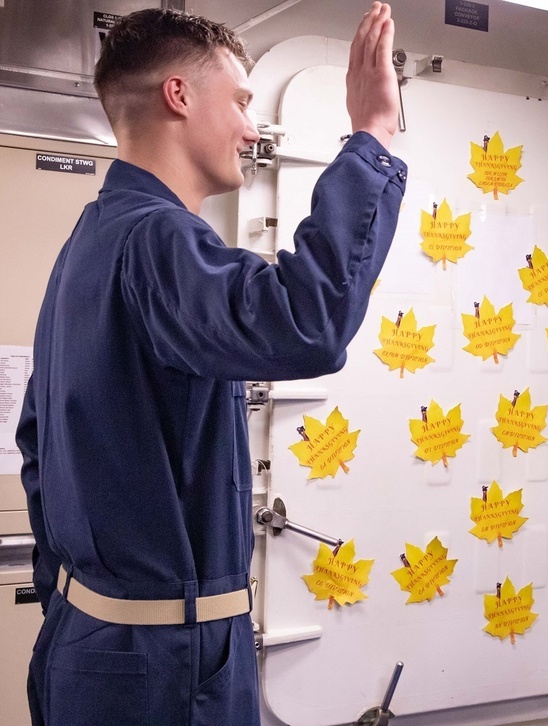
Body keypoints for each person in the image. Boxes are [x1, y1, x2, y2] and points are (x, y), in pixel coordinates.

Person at [15, 3, 404, 724]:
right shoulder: (157, 241)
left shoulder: (88, 245)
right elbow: (306, 322)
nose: (253, 129)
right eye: (243, 101)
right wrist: (372, 139)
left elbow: (39, 445)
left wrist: (86, 602)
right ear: (179, 95)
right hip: (161, 664)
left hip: (93, 641)